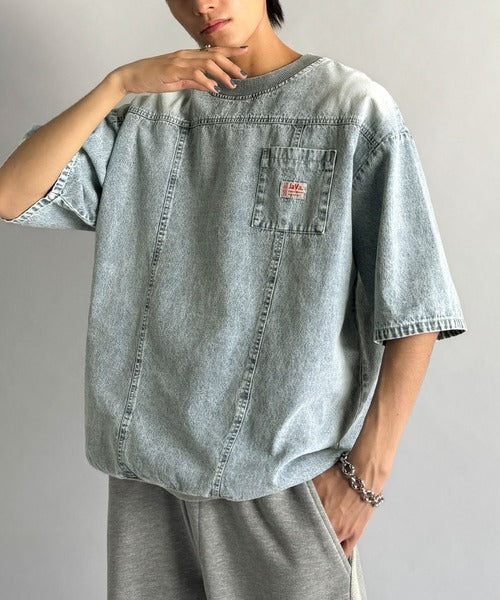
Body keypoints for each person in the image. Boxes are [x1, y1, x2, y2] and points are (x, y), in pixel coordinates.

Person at [0, 1, 467, 598]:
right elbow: (12, 193)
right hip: (149, 484)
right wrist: (119, 83)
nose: (202, 3)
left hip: (282, 486)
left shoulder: (351, 111)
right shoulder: (148, 115)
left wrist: (364, 480)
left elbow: (416, 306)